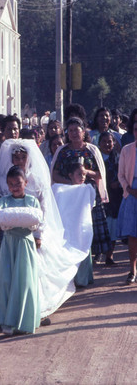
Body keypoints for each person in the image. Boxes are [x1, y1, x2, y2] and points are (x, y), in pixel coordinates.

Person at [0, 138, 87, 319]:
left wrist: (38, 234)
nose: (19, 161)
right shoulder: (7, 180)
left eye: (22, 157)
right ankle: (15, 308)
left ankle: (38, 309)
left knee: (36, 271)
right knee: (13, 272)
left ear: (28, 158)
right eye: (16, 158)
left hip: (33, 233)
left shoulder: (36, 179)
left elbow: (44, 208)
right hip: (13, 234)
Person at [52, 117, 111, 263]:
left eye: (76, 130)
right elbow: (54, 173)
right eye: (70, 131)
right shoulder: (62, 151)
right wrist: (71, 183)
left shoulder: (91, 150)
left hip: (89, 195)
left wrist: (85, 172)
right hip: (69, 196)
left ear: (83, 132)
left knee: (88, 225)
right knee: (73, 227)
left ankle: (93, 256)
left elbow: (100, 174)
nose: (73, 134)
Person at [0, 166, 41, 335]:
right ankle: (8, 321)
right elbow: (2, 222)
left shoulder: (32, 201)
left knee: (25, 281)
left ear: (26, 183)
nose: (15, 187)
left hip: (26, 243)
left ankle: (26, 321)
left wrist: (19, 222)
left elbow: (35, 222)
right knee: (7, 280)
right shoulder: (3, 201)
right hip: (9, 244)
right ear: (7, 185)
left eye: (18, 183)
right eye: (11, 184)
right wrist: (18, 220)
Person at [54, 161, 96, 287]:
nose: (82, 177)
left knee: (83, 245)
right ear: (70, 175)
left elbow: (89, 206)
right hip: (68, 225)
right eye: (79, 174)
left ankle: (83, 278)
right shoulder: (60, 189)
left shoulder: (87, 189)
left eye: (84, 174)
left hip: (82, 224)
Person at [116, 121, 137, 284]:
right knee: (132, 235)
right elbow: (121, 175)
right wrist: (129, 190)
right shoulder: (127, 150)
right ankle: (132, 270)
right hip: (131, 194)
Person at [98, 132, 123, 265]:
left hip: (115, 198)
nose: (107, 144)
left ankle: (110, 255)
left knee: (112, 226)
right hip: (100, 196)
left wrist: (118, 183)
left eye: (110, 141)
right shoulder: (96, 158)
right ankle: (98, 254)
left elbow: (124, 174)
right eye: (104, 141)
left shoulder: (119, 157)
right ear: (99, 143)